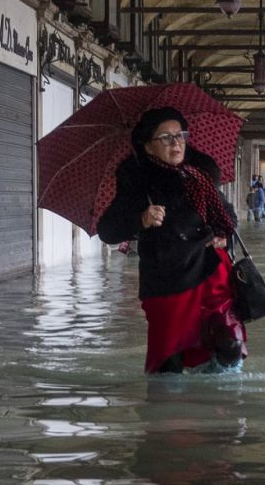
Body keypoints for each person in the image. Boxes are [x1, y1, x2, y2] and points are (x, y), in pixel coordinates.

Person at [97, 107, 247, 374]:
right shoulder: (136, 181)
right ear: (148, 146)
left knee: (229, 344)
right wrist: (141, 218)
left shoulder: (200, 175)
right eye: (166, 137)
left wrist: (223, 234)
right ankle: (168, 410)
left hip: (211, 274)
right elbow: (107, 230)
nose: (176, 143)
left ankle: (220, 408)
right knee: (170, 363)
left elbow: (228, 216)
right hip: (165, 283)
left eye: (180, 135)